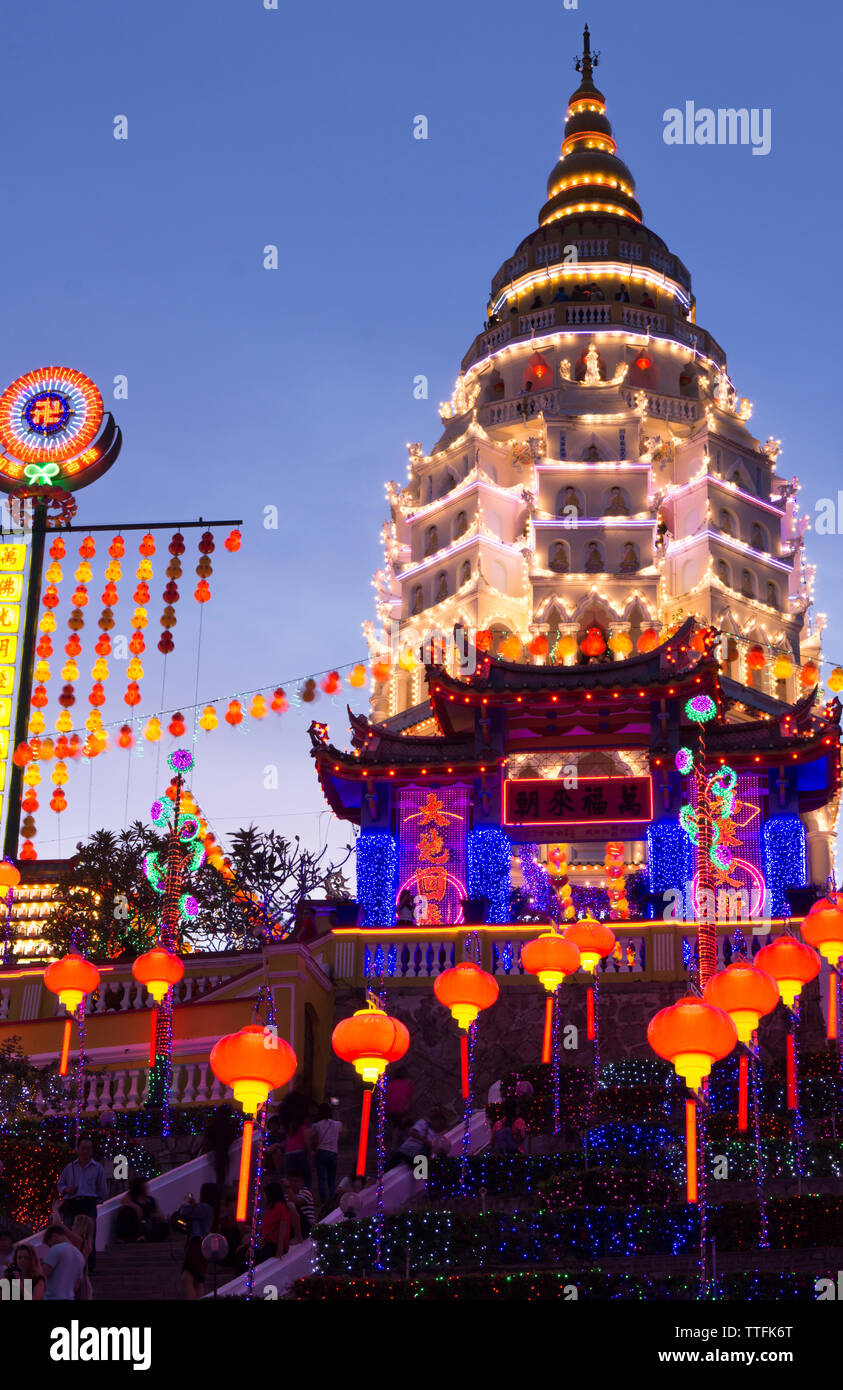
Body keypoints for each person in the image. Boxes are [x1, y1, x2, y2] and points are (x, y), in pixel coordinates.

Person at [56, 1137, 107, 1274]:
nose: (86, 1151)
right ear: (78, 1149)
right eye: (83, 1148)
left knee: (90, 1234)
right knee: (68, 1232)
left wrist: (97, 1200)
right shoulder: (70, 1167)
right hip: (72, 1202)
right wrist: (67, 1190)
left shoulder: (97, 1168)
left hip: (88, 1202)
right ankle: (70, 1265)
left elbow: (103, 1189)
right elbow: (60, 1185)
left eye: (88, 1148)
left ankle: (89, 1266)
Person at [178, 1182, 218, 1300]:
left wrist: (185, 1203)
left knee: (187, 1278)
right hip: (202, 1245)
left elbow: (185, 1212)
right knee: (197, 1280)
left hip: (197, 1245)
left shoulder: (205, 1207)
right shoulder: (209, 1208)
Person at [41, 1225, 86, 1301]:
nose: (50, 1247)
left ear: (54, 1236)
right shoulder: (80, 1255)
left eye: (49, 1244)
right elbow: (77, 1285)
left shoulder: (56, 1249)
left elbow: (43, 1275)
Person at [114, 1178, 167, 1243]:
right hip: (137, 1224)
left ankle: (145, 1237)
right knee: (125, 1212)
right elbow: (123, 1200)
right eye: (144, 1186)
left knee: (163, 1226)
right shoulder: (132, 1199)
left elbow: (160, 1215)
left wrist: (156, 1216)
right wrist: (137, 1208)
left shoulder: (150, 1200)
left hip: (148, 1222)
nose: (147, 1188)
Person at [200, 1105, 239, 1190]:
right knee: (222, 1176)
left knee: (220, 1176)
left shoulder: (215, 1125)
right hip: (222, 1153)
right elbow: (231, 1137)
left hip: (218, 1153)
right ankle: (220, 1192)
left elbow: (208, 1137)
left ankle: (219, 1192)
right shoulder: (228, 1126)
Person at [311, 1102, 342, 1209]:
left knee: (322, 1178)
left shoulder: (316, 1125)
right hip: (333, 1153)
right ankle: (332, 1202)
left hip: (321, 1152)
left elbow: (313, 1138)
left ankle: (323, 1202)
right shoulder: (338, 1124)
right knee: (332, 1180)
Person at [257, 1181, 291, 1262]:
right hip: (268, 1242)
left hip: (274, 1244)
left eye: (265, 1194)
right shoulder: (272, 1208)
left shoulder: (280, 1206)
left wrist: (280, 1248)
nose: (264, 1196)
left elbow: (283, 1225)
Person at [285, 1172, 315, 1239]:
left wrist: (288, 1187)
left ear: (301, 1183)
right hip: (292, 1225)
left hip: (307, 1224)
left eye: (296, 1181)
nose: (294, 1184)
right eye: (291, 1181)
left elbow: (296, 1201)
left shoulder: (306, 1192)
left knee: (290, 1205)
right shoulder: (285, 1196)